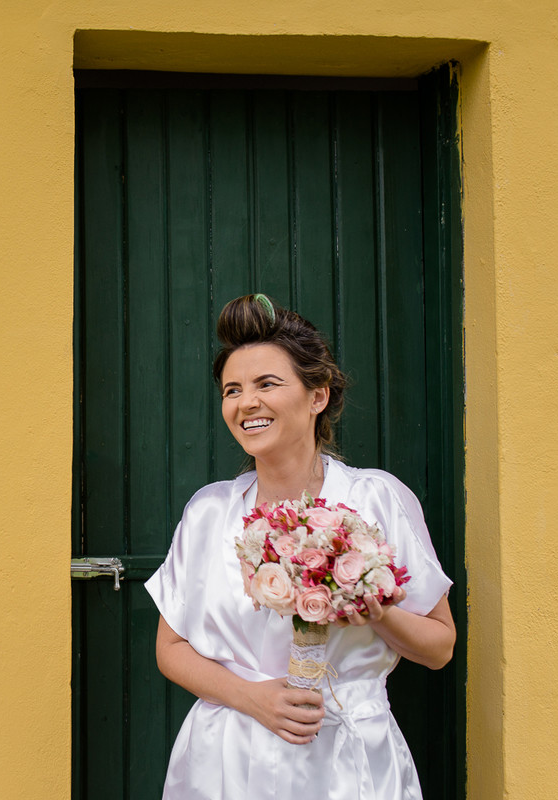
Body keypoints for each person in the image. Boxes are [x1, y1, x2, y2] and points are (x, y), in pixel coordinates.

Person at [145, 293, 456, 799]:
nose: (246, 403)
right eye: (232, 390)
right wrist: (251, 698)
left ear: (318, 396)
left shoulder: (376, 499)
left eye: (267, 384)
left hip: (351, 757)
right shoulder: (208, 513)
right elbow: (170, 649)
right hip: (228, 757)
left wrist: (371, 608)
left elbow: (440, 647)